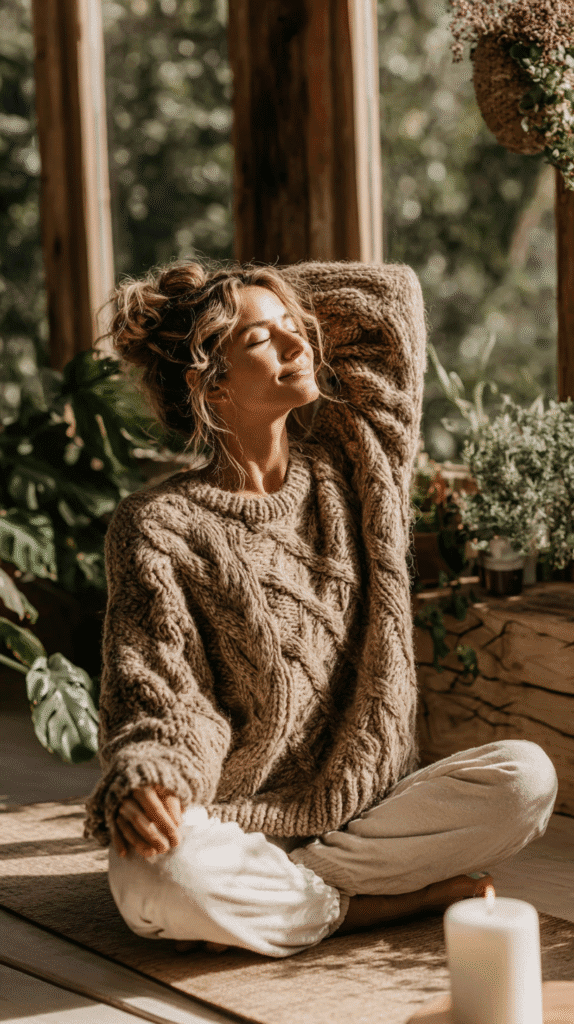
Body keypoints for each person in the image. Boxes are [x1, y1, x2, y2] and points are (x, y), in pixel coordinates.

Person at [84, 258, 558, 959]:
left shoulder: (357, 473)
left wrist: (242, 290)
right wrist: (153, 773)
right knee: (164, 872)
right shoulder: (158, 524)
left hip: (365, 810)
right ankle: (365, 905)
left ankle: (296, 898)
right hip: (231, 818)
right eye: (260, 341)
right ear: (209, 385)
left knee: (526, 780)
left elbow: (389, 301)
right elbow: (159, 688)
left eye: (296, 329)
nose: (298, 344)